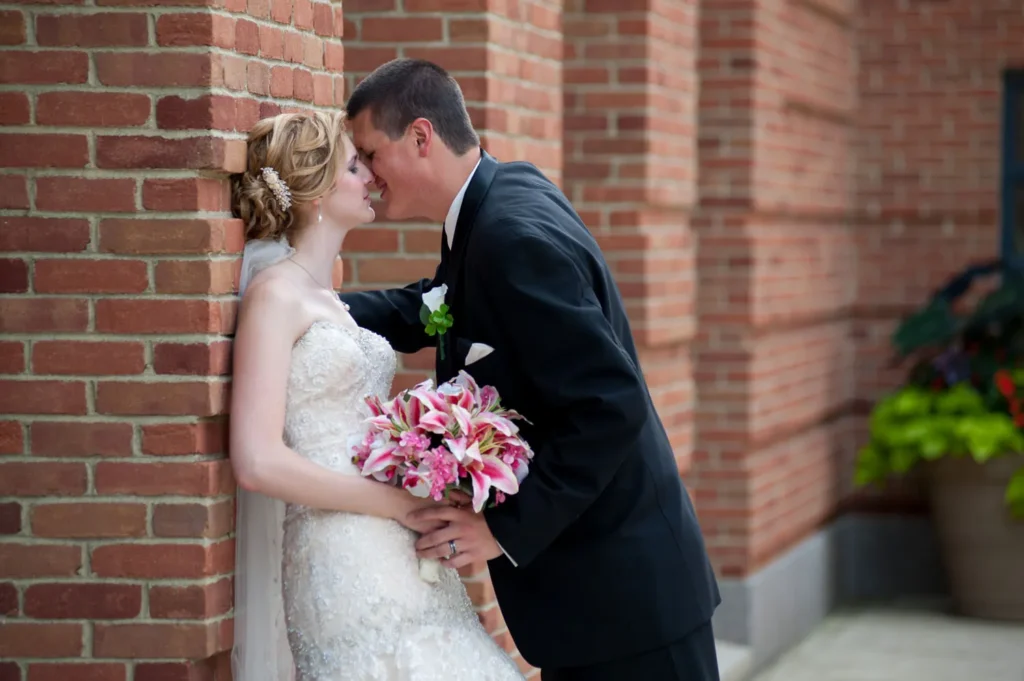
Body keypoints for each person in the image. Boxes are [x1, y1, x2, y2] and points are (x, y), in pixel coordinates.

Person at [340, 58, 723, 681]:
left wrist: (504, 530)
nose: (370, 177)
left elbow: (610, 405)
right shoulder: (498, 196)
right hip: (603, 605)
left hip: (627, 606)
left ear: (419, 137)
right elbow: (439, 305)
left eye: (370, 154)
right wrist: (320, 309)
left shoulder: (509, 235)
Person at [228, 110, 525, 681]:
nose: (369, 176)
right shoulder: (274, 297)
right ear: (315, 190)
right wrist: (395, 504)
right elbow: (257, 460)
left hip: (392, 536)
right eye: (352, 166)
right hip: (340, 550)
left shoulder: (332, 302)